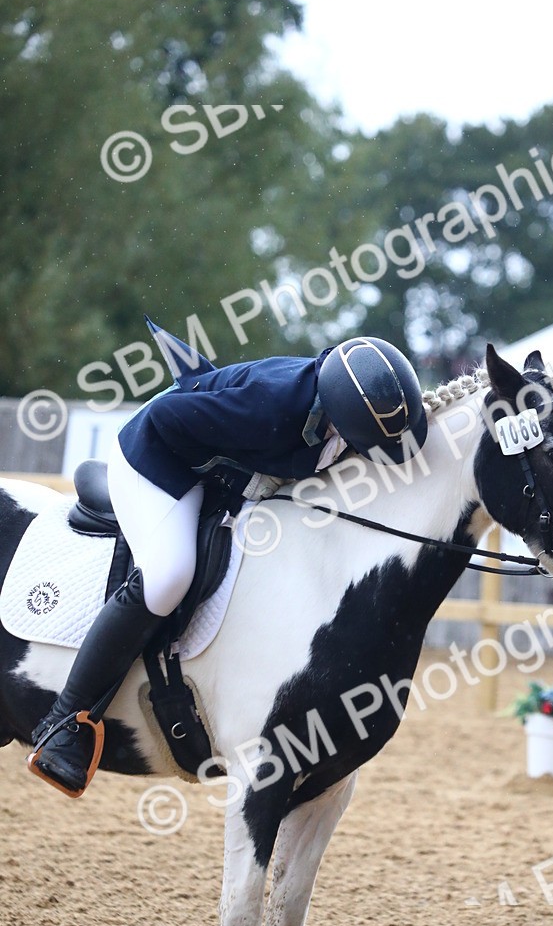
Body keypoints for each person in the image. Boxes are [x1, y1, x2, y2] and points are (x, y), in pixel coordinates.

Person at [28, 325, 427, 797]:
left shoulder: (333, 407)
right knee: (168, 576)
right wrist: (237, 480)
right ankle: (65, 721)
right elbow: (166, 420)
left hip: (202, 458)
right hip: (155, 457)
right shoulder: (272, 406)